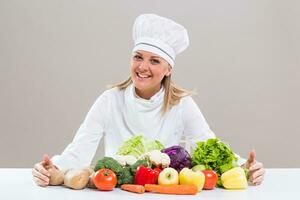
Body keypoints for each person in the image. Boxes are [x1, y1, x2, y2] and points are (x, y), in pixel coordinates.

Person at [32, 14, 265, 187]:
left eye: (154, 61)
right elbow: (79, 150)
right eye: (138, 57)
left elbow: (207, 144)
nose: (143, 67)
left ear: (168, 68)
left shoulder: (181, 104)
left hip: (163, 190)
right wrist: (52, 168)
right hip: (117, 190)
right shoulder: (110, 100)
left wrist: (243, 167)